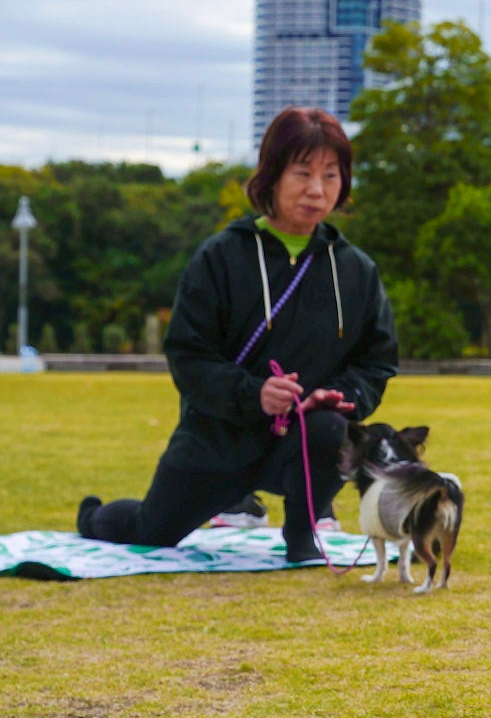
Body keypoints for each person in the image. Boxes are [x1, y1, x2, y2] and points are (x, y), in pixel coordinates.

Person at [77, 107, 399, 563]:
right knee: (153, 532)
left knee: (332, 429)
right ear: (272, 175)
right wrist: (254, 394)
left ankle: (304, 532)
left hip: (303, 440)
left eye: (331, 175)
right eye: (302, 173)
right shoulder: (222, 257)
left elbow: (377, 360)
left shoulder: (355, 270)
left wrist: (340, 395)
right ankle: (93, 518)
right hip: (218, 439)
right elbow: (188, 355)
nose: (317, 189)